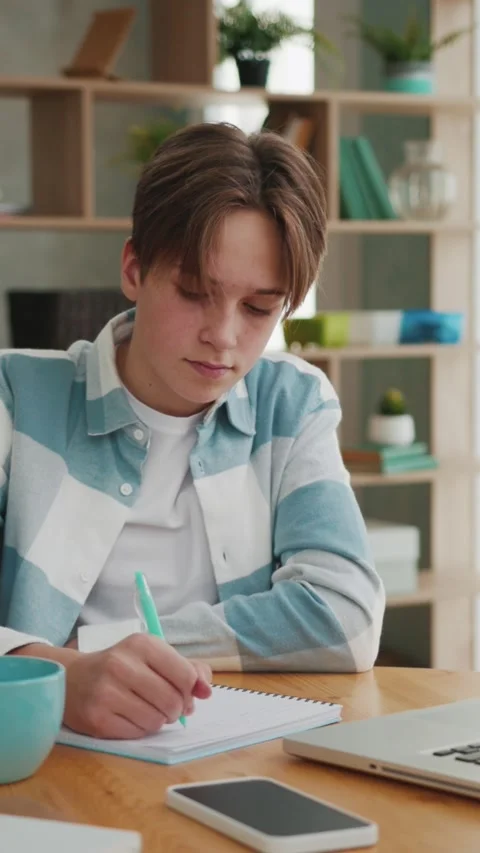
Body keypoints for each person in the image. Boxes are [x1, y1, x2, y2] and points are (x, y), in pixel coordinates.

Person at [0, 122, 385, 740]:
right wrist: (61, 678)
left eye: (260, 308)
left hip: (230, 751)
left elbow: (347, 617)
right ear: (133, 268)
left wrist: (101, 648)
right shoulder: (16, 401)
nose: (224, 336)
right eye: (194, 292)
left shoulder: (293, 402)